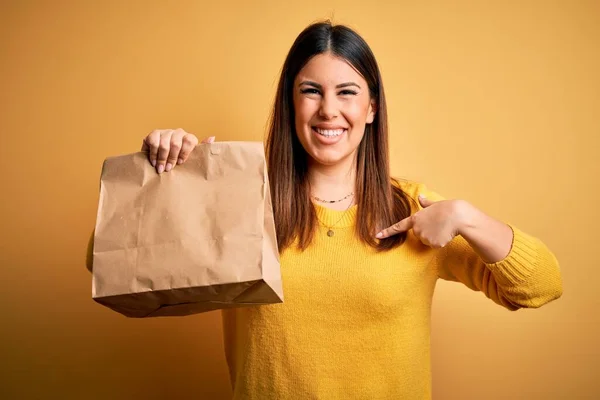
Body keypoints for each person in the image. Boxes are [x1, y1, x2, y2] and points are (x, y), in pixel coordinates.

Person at [141, 21, 563, 400]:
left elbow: (542, 285)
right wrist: (169, 177)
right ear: (291, 105)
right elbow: (111, 265)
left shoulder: (414, 210)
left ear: (372, 109)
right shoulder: (240, 202)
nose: (329, 110)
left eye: (347, 92)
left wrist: (469, 217)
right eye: (311, 91)